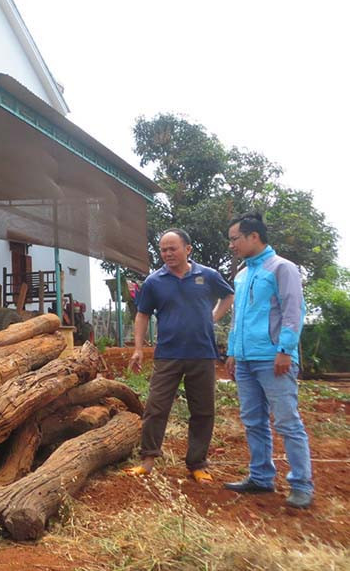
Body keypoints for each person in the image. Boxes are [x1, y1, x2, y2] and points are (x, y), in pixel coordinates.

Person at [126, 229, 234, 482]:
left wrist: (213, 317)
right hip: (168, 354)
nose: (167, 253)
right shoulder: (154, 281)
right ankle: (148, 459)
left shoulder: (208, 276)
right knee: (156, 407)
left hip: (202, 354)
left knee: (203, 410)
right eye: (163, 249)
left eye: (172, 248)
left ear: (188, 249)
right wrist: (138, 349)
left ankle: (197, 463)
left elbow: (228, 295)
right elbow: (142, 314)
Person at [224, 212, 313, 509]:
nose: (232, 245)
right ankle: (261, 477)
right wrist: (233, 353)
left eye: (235, 239)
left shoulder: (282, 268)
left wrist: (285, 350)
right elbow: (238, 318)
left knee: (287, 421)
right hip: (246, 360)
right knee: (253, 421)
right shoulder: (242, 274)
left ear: (253, 237)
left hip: (274, 359)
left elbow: (293, 310)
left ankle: (302, 483)